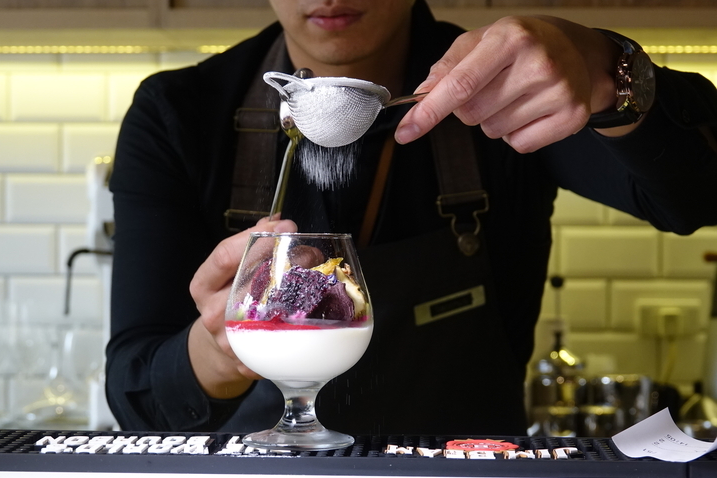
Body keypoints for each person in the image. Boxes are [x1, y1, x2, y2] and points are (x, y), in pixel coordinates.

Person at [105, 0, 717, 435]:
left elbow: (696, 196)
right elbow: (138, 401)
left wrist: (607, 70)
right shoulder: (179, 114)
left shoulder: (508, 86)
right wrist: (218, 351)